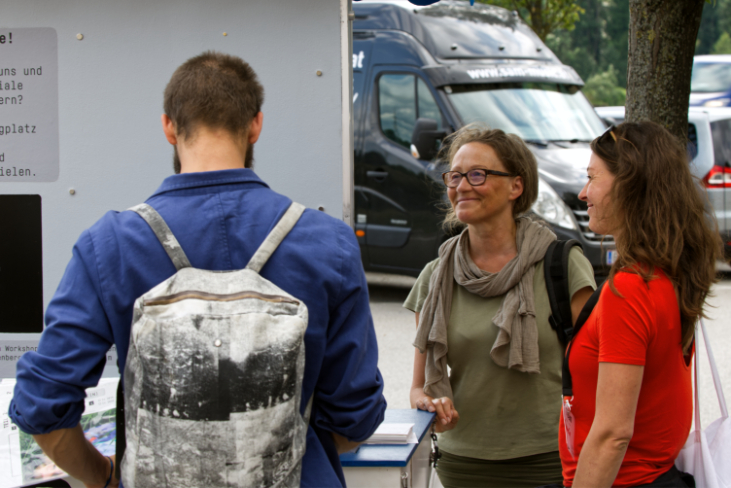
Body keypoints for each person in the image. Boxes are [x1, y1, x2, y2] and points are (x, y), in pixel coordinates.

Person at [8, 51, 386, 488]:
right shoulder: (328, 242)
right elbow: (355, 416)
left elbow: (43, 408)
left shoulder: (109, 244)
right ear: (256, 125)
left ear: (169, 126)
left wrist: (105, 476)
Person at [404, 125, 597, 488]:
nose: (461, 185)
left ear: (516, 186)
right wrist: (430, 404)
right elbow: (419, 388)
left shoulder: (562, 266)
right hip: (462, 463)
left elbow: (596, 376)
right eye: (455, 175)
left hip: (551, 461)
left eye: (477, 174)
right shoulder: (435, 277)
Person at [559, 121, 721, 487]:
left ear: (630, 186)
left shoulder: (631, 288)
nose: (584, 193)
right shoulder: (666, 274)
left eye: (592, 178)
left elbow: (613, 433)